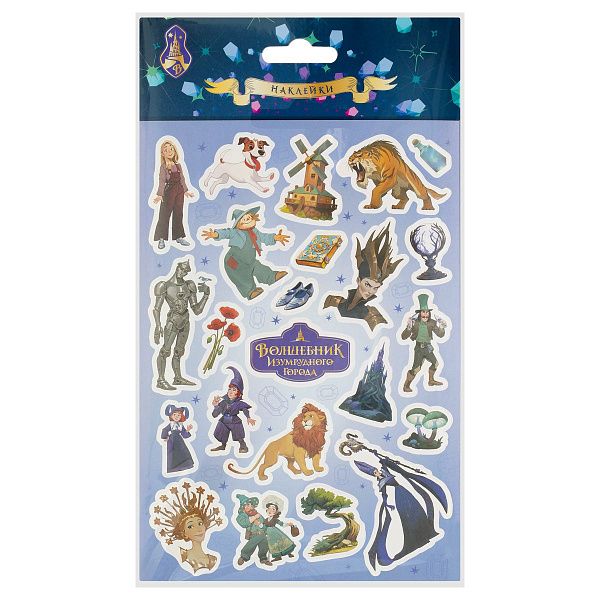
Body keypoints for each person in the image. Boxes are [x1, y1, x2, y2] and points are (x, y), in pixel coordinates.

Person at [354, 455, 450, 572]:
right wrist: (387, 504)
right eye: (374, 473)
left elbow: (388, 464)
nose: (376, 472)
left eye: (375, 470)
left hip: (404, 492)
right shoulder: (381, 483)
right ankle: (414, 539)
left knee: (417, 510)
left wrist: (383, 460)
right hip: (398, 498)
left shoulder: (385, 471)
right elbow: (384, 495)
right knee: (407, 519)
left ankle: (426, 532)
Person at [324, 222, 402, 331]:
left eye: (375, 287)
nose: (370, 291)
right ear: (358, 280)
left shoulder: (372, 315)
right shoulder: (333, 301)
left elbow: (379, 333)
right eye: (368, 285)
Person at [201, 205, 289, 300]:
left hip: (249, 260)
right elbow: (226, 233)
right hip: (234, 261)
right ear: (238, 223)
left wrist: (275, 237)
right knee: (242, 277)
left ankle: (272, 277)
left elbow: (264, 237)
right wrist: (216, 234)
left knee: (257, 267)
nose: (247, 220)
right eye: (244, 219)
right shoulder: (235, 232)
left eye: (249, 217)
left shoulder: (255, 232)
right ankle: (250, 292)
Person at [152, 139, 195, 250]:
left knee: (178, 213)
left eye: (171, 149)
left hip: (179, 191)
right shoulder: (163, 167)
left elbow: (182, 179)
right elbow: (162, 180)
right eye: (166, 150)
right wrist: (160, 194)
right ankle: (161, 238)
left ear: (175, 151)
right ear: (162, 153)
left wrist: (185, 190)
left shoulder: (178, 165)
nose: (169, 151)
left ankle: (178, 237)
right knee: (164, 214)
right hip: (169, 191)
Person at [400, 293, 447, 392]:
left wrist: (442, 327)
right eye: (423, 312)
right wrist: (408, 327)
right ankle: (406, 385)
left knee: (435, 363)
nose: (425, 314)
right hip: (419, 349)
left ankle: (431, 380)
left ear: (429, 313)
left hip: (428, 348)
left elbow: (440, 335)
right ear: (420, 313)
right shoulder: (414, 323)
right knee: (416, 369)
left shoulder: (432, 323)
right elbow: (403, 337)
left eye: (427, 312)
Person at [210, 366, 256, 453]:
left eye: (234, 390)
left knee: (238, 433)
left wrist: (248, 417)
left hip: (234, 421)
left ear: (238, 394)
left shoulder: (238, 403)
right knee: (222, 432)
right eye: (229, 389)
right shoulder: (223, 402)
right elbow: (214, 415)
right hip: (224, 420)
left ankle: (243, 445)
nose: (230, 392)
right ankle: (223, 445)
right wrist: (215, 406)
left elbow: (244, 409)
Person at [235, 495, 272, 567]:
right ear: (242, 507)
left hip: (262, 534)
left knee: (264, 545)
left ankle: (263, 558)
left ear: (252, 506)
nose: (247, 507)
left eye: (249, 505)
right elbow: (244, 523)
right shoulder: (243, 515)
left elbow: (264, 524)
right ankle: (244, 556)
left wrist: (264, 527)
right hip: (254, 534)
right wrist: (254, 518)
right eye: (245, 505)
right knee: (251, 545)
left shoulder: (257, 514)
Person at [160, 405, 194, 473]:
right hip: (172, 440)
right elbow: (165, 430)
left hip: (179, 441)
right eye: (174, 414)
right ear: (171, 416)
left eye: (179, 415)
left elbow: (184, 434)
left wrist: (187, 430)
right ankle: (173, 468)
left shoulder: (181, 424)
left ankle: (184, 465)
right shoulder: (171, 424)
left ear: (181, 416)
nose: (176, 416)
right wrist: (166, 436)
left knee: (182, 452)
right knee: (173, 454)